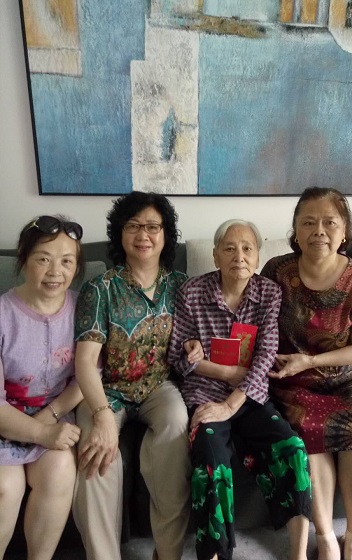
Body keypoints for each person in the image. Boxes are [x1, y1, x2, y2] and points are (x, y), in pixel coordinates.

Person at [168, 219, 312, 560]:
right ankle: (215, 554)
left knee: (292, 447)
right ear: (215, 255)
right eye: (229, 248)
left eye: (248, 248)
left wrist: (232, 402)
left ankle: (299, 553)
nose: (239, 256)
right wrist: (218, 368)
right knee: (211, 461)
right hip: (204, 395)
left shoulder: (269, 293)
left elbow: (266, 355)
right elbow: (177, 357)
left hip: (249, 396)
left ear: (258, 256)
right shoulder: (192, 292)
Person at [73, 192, 202, 560]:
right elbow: (86, 362)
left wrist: (195, 346)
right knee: (96, 455)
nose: (143, 235)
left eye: (152, 227)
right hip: (106, 390)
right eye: (133, 226)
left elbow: (196, 336)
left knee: (176, 425)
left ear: (166, 235)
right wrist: (101, 416)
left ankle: (167, 552)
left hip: (160, 386)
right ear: (120, 234)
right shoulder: (100, 288)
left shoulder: (183, 285)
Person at [261, 187, 352, 560]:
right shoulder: (277, 271)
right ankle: (327, 536)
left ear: (344, 231)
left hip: (347, 378)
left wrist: (312, 361)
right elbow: (255, 321)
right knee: (308, 432)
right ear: (296, 231)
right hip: (292, 380)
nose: (319, 231)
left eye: (330, 222)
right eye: (308, 222)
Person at [0, 215, 84, 560]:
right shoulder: (3, 314)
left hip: (54, 415)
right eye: (43, 259)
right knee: (5, 487)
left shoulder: (83, 308)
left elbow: (87, 375)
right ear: (23, 260)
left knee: (61, 470)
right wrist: (41, 432)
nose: (55, 272)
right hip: (6, 421)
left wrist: (51, 417)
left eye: (66, 261)